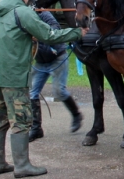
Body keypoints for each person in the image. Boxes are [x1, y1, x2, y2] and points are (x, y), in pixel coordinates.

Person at [0, 0, 83, 178]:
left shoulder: (0, 11)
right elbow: (49, 35)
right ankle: (22, 166)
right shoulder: (23, 12)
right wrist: (77, 32)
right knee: (21, 120)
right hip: (13, 77)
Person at [28, 10, 83, 142]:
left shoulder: (45, 15)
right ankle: (36, 128)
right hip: (40, 62)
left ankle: (76, 115)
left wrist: (38, 34)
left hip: (57, 58)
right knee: (31, 92)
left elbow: (55, 30)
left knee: (59, 91)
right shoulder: (25, 19)